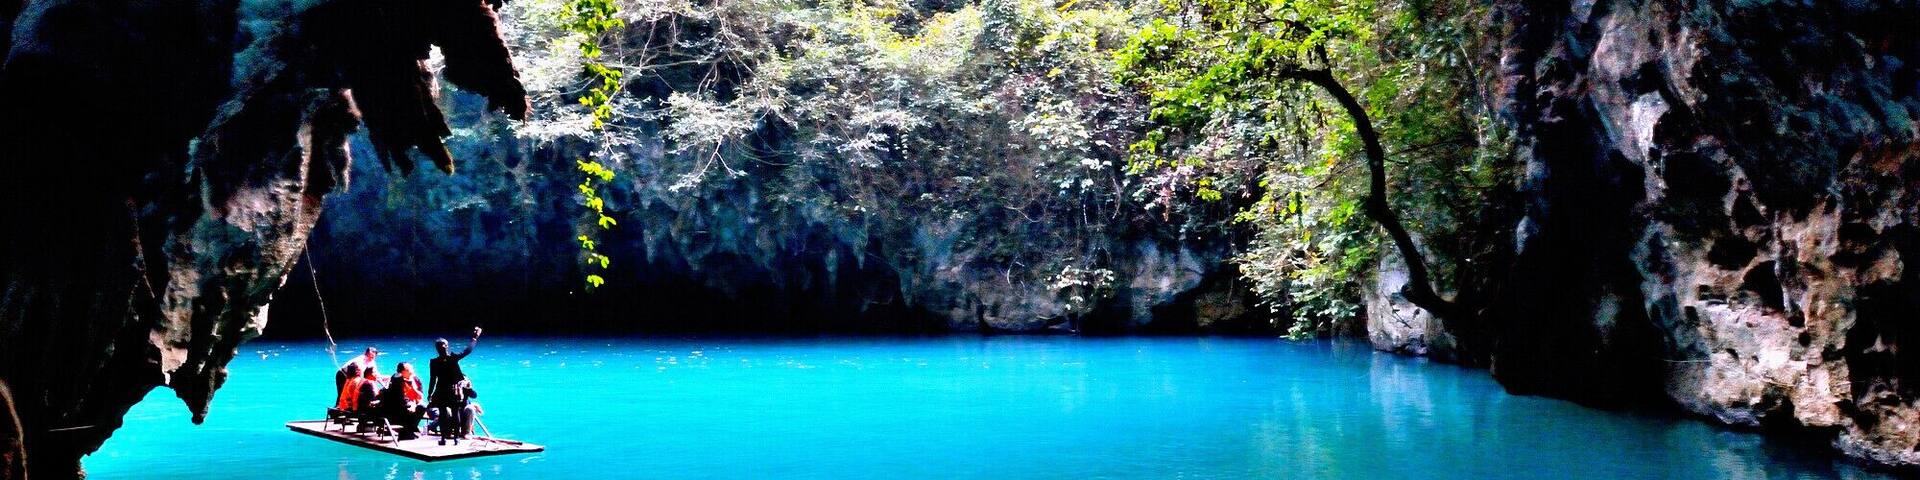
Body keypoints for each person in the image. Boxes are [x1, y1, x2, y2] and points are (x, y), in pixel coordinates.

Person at [379, 362, 429, 439]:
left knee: (421, 406)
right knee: (420, 407)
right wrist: (410, 405)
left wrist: (413, 404)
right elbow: (399, 397)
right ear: (403, 372)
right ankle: (406, 432)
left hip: (407, 405)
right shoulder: (397, 380)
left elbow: (419, 396)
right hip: (397, 410)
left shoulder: (414, 379)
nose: (412, 371)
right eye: (409, 370)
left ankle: (408, 431)